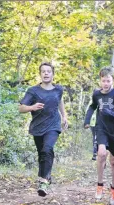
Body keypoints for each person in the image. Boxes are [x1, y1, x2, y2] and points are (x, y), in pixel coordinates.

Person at [19, 62, 68, 197]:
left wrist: (64, 116)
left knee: (47, 148)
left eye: (48, 71)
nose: (46, 73)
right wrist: (32, 107)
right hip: (38, 126)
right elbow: (21, 108)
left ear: (53, 74)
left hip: (53, 125)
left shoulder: (58, 89)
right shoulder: (33, 91)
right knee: (42, 153)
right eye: (43, 71)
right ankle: (46, 176)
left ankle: (44, 181)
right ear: (40, 74)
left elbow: (59, 101)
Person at [84, 66, 114, 205]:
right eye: (103, 81)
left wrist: (112, 114)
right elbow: (92, 106)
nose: (106, 83)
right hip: (101, 128)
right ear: (100, 81)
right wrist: (87, 120)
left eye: (108, 81)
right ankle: (99, 185)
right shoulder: (96, 94)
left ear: (113, 81)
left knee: (113, 162)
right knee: (101, 154)